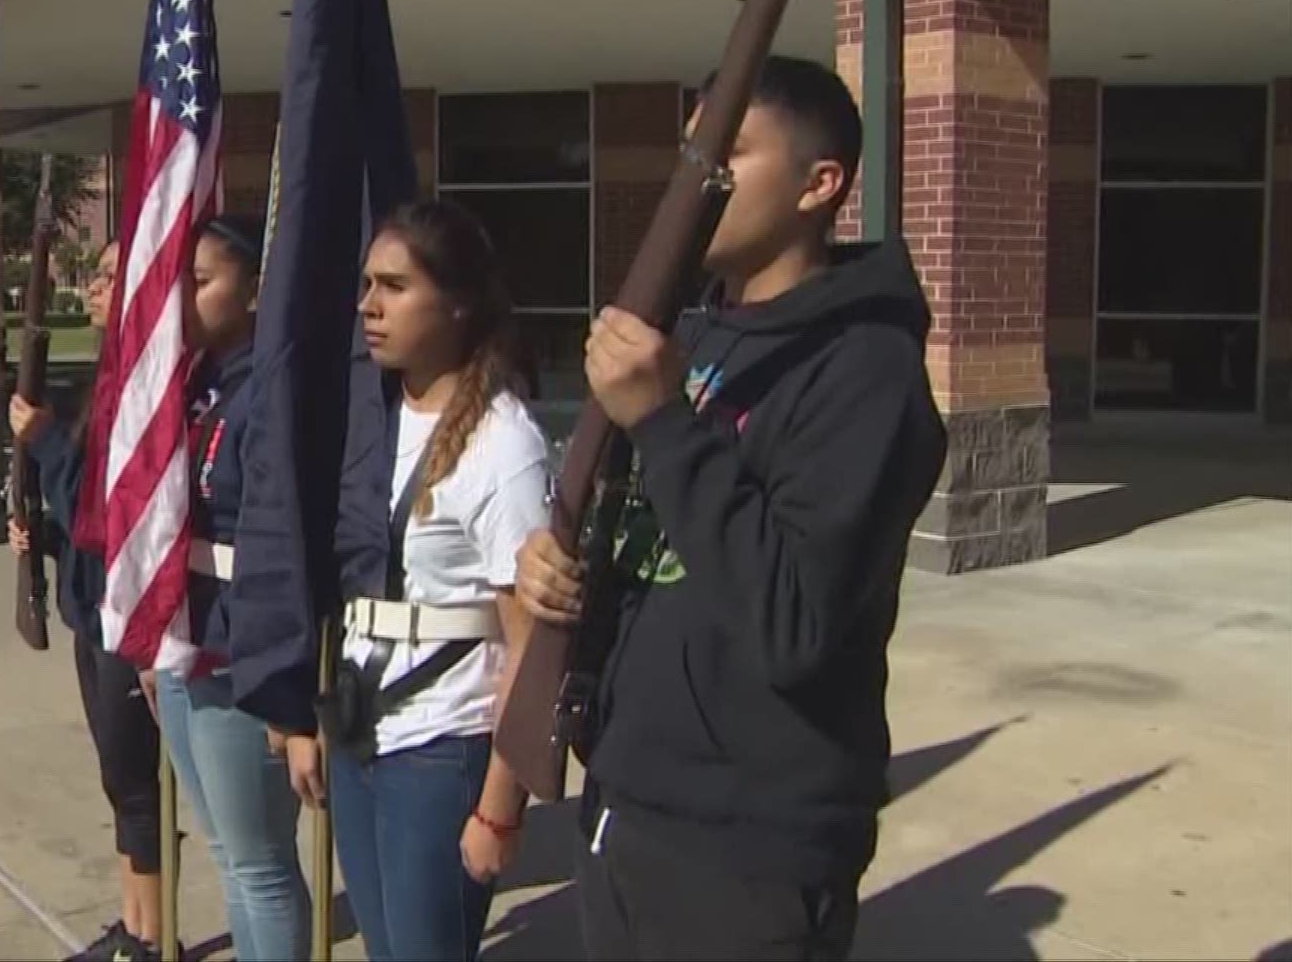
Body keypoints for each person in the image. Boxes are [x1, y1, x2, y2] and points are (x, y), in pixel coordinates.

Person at [512, 55, 948, 960]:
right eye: (688, 155)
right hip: (628, 801)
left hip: (748, 844)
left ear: (818, 185)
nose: (695, 181)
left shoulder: (868, 370)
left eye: (727, 153)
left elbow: (795, 619)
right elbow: (653, 545)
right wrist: (560, 570)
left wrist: (665, 419)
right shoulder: (696, 334)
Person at [297, 200, 549, 962]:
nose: (368, 305)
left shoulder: (503, 444)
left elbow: (531, 643)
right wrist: (315, 720)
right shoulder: (374, 419)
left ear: (459, 301)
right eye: (368, 284)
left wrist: (501, 803)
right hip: (361, 729)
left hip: (443, 749)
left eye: (395, 287)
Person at [152, 213, 315, 962]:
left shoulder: (267, 393)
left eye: (203, 278)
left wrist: (282, 686)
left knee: (261, 865)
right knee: (226, 854)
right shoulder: (192, 382)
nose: (182, 293)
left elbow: (276, 544)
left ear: (252, 290)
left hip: (238, 653)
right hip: (185, 643)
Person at [7, 241, 168, 962]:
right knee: (118, 777)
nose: (95, 286)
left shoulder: (140, 385)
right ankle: (134, 925)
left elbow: (110, 512)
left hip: (121, 610)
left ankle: (152, 937)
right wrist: (40, 532)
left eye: (108, 274)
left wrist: (41, 443)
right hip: (86, 603)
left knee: (136, 781)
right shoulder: (103, 381)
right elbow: (79, 518)